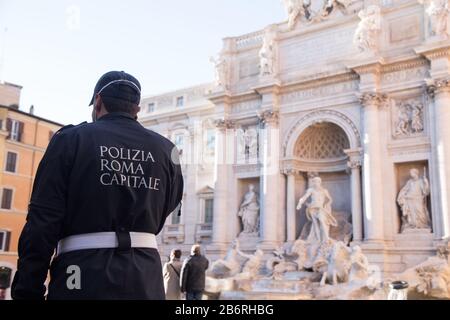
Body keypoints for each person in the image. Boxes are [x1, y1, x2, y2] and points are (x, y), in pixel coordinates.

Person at [11, 71, 184, 300]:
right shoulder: (167, 149)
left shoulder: (70, 140)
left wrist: (27, 291)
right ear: (137, 109)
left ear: (98, 101)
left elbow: (42, 222)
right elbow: (170, 204)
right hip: (145, 277)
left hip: (80, 272)